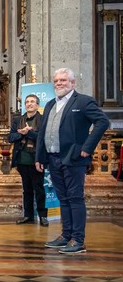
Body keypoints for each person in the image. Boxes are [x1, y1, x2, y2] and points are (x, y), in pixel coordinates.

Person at [36, 68, 109, 254]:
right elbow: (43, 132)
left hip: (74, 157)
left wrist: (87, 147)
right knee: (63, 199)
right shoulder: (51, 103)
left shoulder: (83, 101)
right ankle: (66, 235)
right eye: (56, 81)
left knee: (75, 199)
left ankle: (78, 240)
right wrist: (39, 156)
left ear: (72, 82)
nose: (59, 83)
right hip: (53, 158)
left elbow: (103, 122)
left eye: (63, 80)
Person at [8, 94, 48, 226]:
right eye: (27, 102)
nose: (29, 104)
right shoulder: (18, 119)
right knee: (27, 190)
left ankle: (42, 215)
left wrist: (28, 133)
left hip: (36, 160)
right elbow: (11, 137)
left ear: (37, 105)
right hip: (22, 159)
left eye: (32, 102)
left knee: (39, 189)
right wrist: (21, 133)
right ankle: (28, 215)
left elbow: (42, 138)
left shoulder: (42, 119)